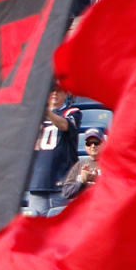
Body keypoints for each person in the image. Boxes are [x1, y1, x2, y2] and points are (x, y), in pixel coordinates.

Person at [26, 85, 81, 215]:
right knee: (36, 230)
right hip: (37, 182)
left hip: (60, 182)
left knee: (58, 229)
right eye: (51, 90)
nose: (55, 93)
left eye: (58, 90)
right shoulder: (33, 117)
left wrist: (46, 112)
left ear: (66, 93)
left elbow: (64, 125)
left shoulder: (72, 112)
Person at [61, 127, 104, 199]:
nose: (93, 146)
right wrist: (82, 182)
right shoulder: (79, 165)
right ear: (85, 146)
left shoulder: (111, 164)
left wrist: (98, 179)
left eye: (96, 142)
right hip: (83, 206)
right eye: (89, 143)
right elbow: (67, 192)